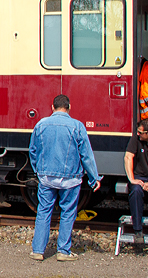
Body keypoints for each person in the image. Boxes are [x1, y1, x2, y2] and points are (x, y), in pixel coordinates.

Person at [28, 94, 101, 261]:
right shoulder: (77, 126)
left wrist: (38, 170)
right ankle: (63, 251)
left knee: (44, 211)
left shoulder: (41, 125)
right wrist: (93, 177)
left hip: (46, 177)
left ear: (52, 107)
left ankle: (38, 251)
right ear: (69, 107)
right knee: (68, 212)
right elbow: (86, 155)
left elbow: (33, 151)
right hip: (71, 179)